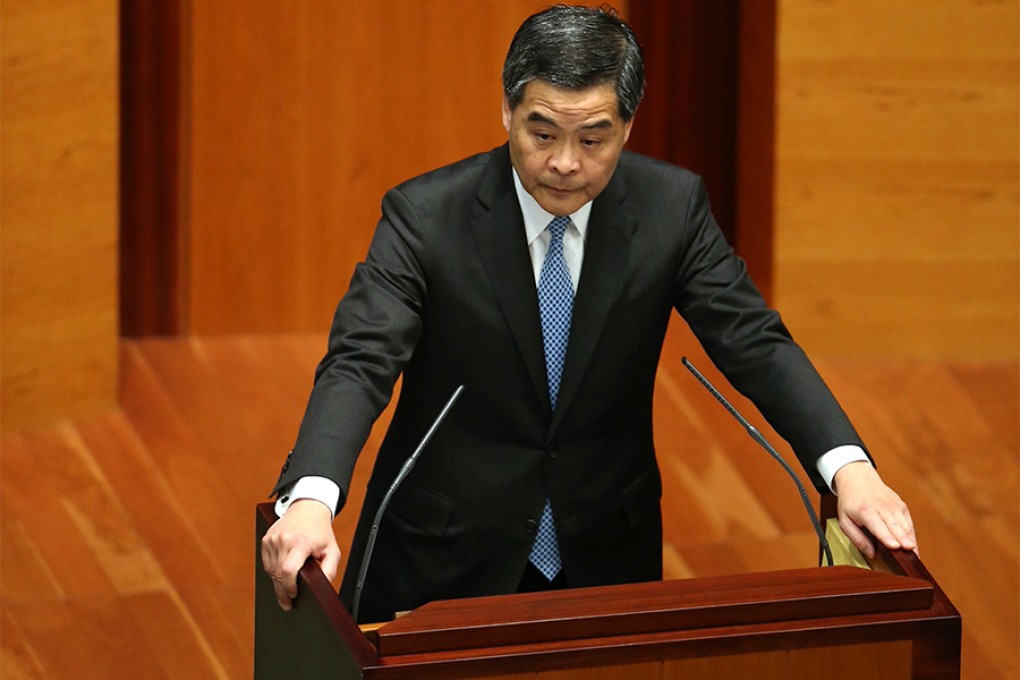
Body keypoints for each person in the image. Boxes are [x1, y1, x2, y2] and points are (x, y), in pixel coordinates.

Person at [261, 5, 916, 623]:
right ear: (506, 109)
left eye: (593, 139)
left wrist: (850, 471)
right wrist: (313, 498)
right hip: (443, 552)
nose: (564, 163)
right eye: (541, 132)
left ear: (628, 126)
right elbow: (360, 358)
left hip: (604, 553)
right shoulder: (426, 218)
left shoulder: (672, 209)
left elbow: (754, 340)